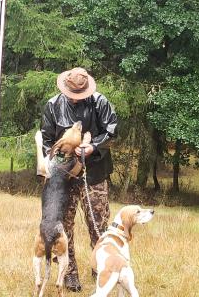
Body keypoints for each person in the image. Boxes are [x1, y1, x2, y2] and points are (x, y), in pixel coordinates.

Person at [41, 67, 118, 292]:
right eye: (71, 95)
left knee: (99, 225)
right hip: (63, 177)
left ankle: (100, 267)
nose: (75, 99)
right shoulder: (52, 106)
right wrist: (60, 155)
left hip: (94, 173)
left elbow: (112, 132)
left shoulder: (100, 102)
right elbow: (46, 140)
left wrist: (93, 147)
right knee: (64, 226)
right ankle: (69, 272)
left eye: (79, 96)